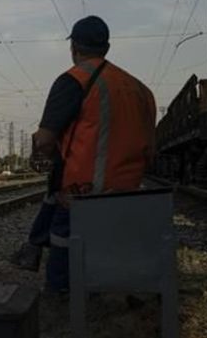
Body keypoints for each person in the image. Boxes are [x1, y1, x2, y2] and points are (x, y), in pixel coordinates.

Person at [10, 15, 156, 292]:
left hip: (84, 194)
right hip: (131, 193)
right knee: (55, 194)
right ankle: (37, 248)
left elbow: (45, 140)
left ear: (74, 47)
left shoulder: (73, 80)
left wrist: (41, 152)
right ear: (107, 48)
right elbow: (151, 149)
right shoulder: (141, 90)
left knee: (60, 226)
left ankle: (60, 293)